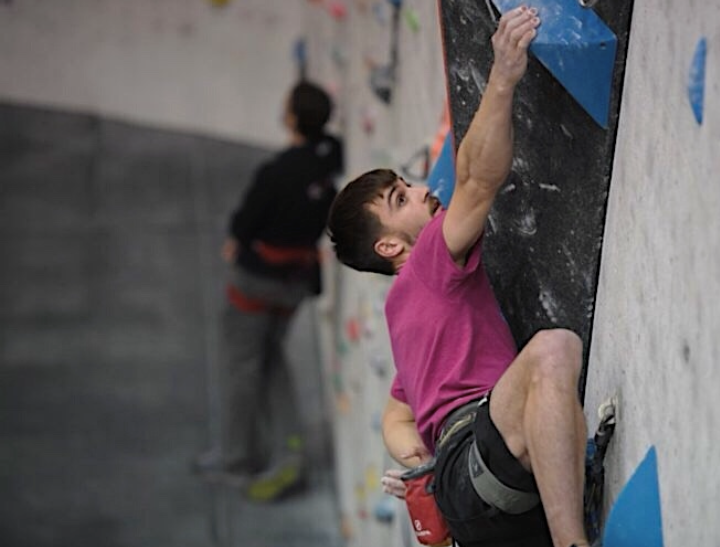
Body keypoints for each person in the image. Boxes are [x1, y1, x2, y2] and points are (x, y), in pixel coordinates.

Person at [327, 6, 593, 547]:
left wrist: (417, 463)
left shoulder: (403, 319)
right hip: (475, 462)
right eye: (402, 198)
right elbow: (473, 181)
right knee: (552, 352)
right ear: (388, 246)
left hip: (471, 493)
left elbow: (395, 416)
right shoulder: (425, 262)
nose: (424, 191)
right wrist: (501, 76)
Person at [195, 81, 343, 502]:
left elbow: (244, 225)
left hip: (257, 283)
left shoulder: (277, 172)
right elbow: (328, 144)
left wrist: (236, 240)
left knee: (241, 365)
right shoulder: (327, 160)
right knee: (270, 358)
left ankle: (236, 458)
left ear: (292, 118)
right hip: (294, 285)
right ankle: (289, 449)